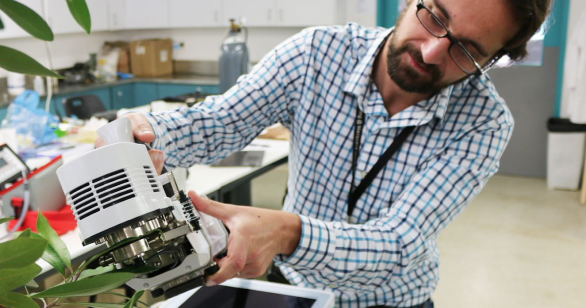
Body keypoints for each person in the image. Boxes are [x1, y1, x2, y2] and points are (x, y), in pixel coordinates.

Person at [101, 0, 552, 307]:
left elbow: (400, 241)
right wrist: (148, 133)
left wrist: (287, 234)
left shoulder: (484, 122)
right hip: (292, 286)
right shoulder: (318, 52)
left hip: (393, 299)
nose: (432, 51)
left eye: (468, 50)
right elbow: (220, 122)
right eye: (434, 16)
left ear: (494, 59)